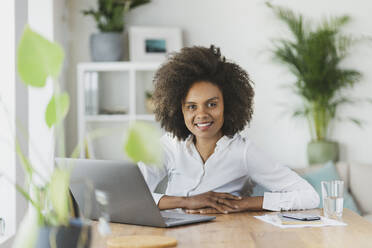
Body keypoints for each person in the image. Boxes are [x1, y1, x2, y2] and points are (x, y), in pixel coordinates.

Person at [138, 45, 319, 214]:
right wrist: (185, 201)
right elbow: (130, 197)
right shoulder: (170, 145)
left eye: (212, 104)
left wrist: (242, 204)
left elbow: (309, 196)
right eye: (192, 106)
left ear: (228, 105)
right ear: (179, 110)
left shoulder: (243, 152)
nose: (202, 114)